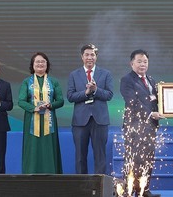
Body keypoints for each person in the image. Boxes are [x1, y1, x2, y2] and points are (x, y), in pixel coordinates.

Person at [120, 49, 163, 197]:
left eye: (145, 61)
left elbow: (157, 100)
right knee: (133, 159)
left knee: (148, 159)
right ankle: (128, 190)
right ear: (132, 63)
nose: (142, 64)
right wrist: (151, 114)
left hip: (150, 126)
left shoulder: (151, 80)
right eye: (139, 61)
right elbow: (132, 102)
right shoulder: (127, 80)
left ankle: (144, 189)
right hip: (134, 127)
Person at [67, 44, 114, 174]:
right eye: (87, 54)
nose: (89, 57)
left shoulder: (106, 74)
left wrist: (96, 90)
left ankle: (99, 188)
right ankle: (82, 189)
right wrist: (86, 92)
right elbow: (70, 96)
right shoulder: (74, 75)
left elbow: (109, 95)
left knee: (100, 157)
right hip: (80, 121)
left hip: (100, 120)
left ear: (96, 57)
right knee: (80, 157)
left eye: (92, 55)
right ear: (82, 57)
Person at [18, 52, 64, 174]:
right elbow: (21, 101)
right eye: (37, 62)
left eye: (43, 61)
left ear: (47, 64)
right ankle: (30, 175)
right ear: (32, 65)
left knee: (49, 148)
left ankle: (51, 176)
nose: (40, 64)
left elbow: (60, 101)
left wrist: (50, 105)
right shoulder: (26, 82)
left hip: (49, 121)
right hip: (31, 121)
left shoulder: (53, 82)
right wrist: (34, 108)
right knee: (32, 148)